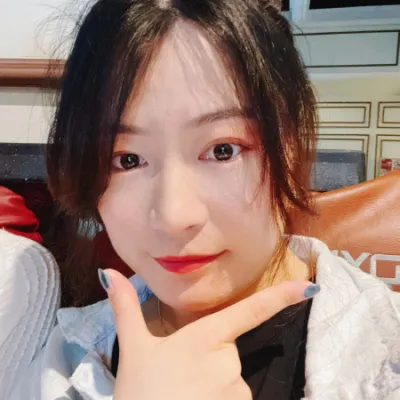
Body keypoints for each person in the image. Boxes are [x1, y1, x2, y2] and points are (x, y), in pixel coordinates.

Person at [5, 0, 400, 399]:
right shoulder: (64, 360)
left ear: (292, 147)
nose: (174, 216)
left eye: (223, 150)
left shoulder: (385, 356)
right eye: (127, 159)